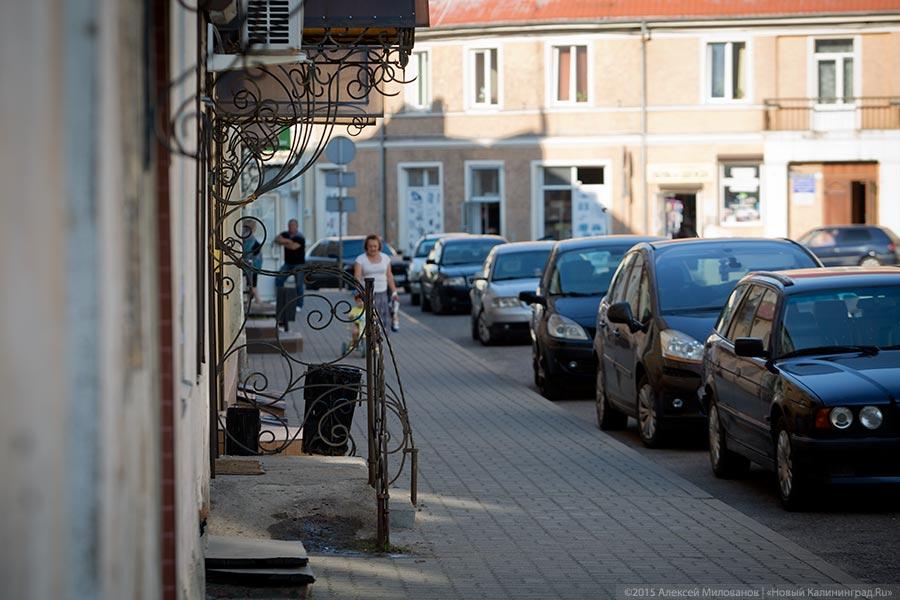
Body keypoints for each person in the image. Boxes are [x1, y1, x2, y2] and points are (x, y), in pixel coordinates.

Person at [353, 233, 398, 333]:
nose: (373, 248)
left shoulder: (385, 258)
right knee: (368, 321)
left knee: (382, 321)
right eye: (370, 246)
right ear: (366, 247)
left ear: (379, 247)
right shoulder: (360, 259)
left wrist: (394, 291)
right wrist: (359, 293)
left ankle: (379, 344)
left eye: (375, 246)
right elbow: (357, 277)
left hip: (382, 294)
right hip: (367, 295)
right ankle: (369, 344)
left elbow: (389, 275)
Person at [274, 218, 306, 308]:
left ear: (297, 226)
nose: (291, 227)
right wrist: (288, 241)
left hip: (299, 264)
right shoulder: (285, 234)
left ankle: (299, 305)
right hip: (287, 263)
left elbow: (293, 247)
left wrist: (283, 242)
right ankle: (281, 301)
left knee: (299, 285)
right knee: (278, 280)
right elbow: (277, 239)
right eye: (289, 225)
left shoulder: (300, 237)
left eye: (293, 226)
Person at [241, 221, 263, 304]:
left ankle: (255, 299)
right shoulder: (248, 236)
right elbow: (247, 250)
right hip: (251, 262)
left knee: (251, 282)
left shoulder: (246, 235)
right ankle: (256, 299)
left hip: (253, 261)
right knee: (252, 283)